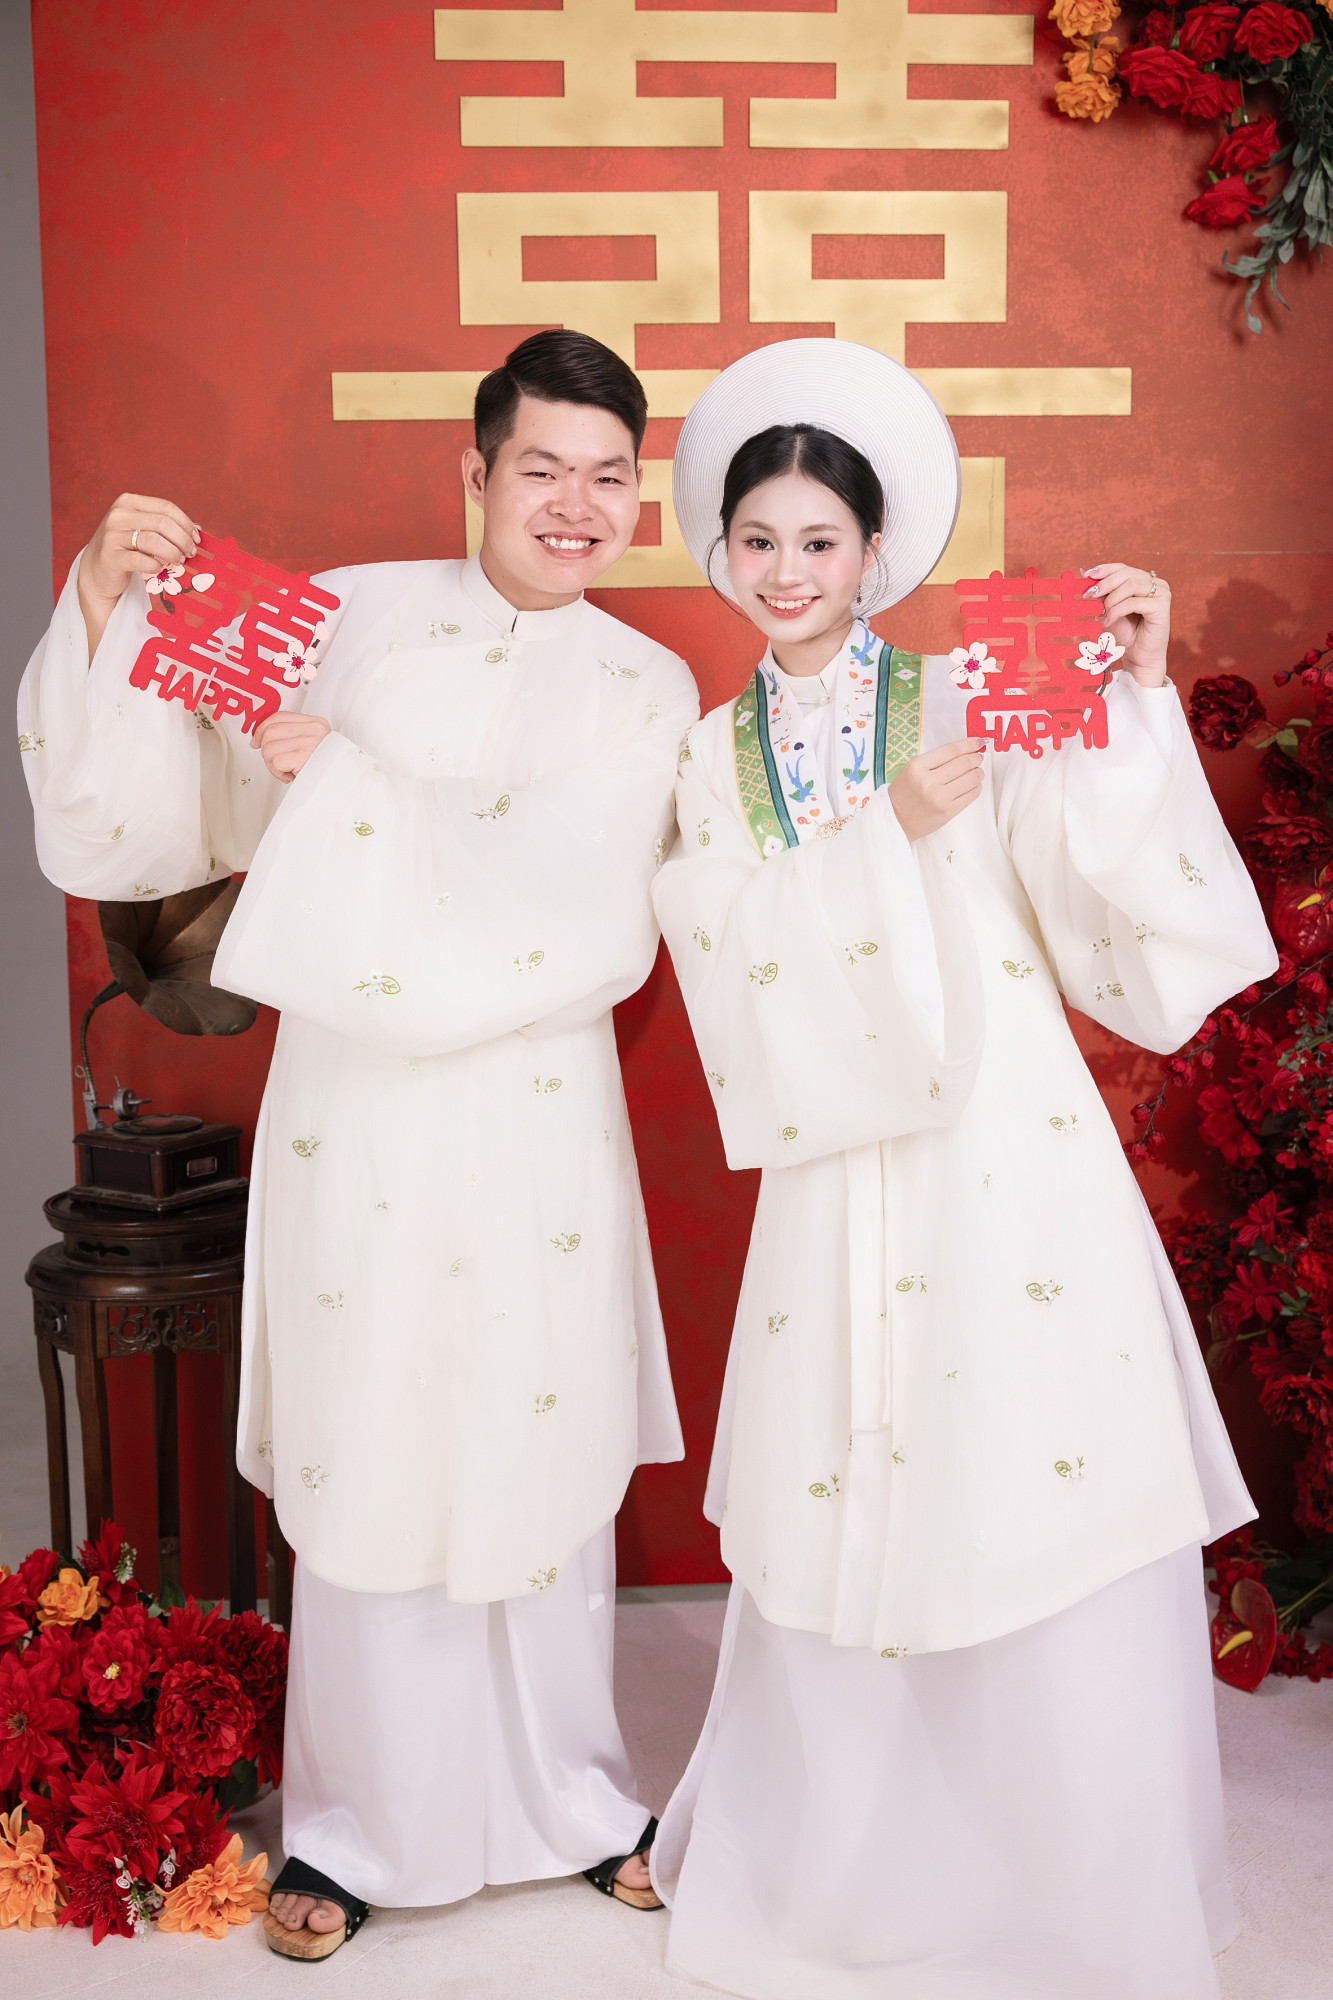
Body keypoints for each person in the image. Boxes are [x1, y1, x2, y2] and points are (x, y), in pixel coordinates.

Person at [18, 329, 698, 1955]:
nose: (575, 504)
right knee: (374, 1429)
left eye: (609, 477)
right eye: (540, 468)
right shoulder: (338, 615)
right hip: (363, 1113)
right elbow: (155, 804)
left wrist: (346, 796)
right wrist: (110, 606)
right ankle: (350, 1830)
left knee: (534, 1431)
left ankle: (575, 1797)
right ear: (474, 471)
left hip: (536, 1111)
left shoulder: (647, 683)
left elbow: (585, 898)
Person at [648, 338, 1276, 1999]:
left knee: (1023, 1462)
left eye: (820, 540)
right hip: (833, 1164)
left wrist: (1126, 696)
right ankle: (854, 1878)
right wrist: (886, 836)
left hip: (1002, 1149)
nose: (788, 570)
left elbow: (1080, 878)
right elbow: (717, 944)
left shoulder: (968, 693)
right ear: (721, 551)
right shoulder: (708, 755)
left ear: (875, 553)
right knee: (847, 1483)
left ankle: (1063, 1878)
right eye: (758, 540)